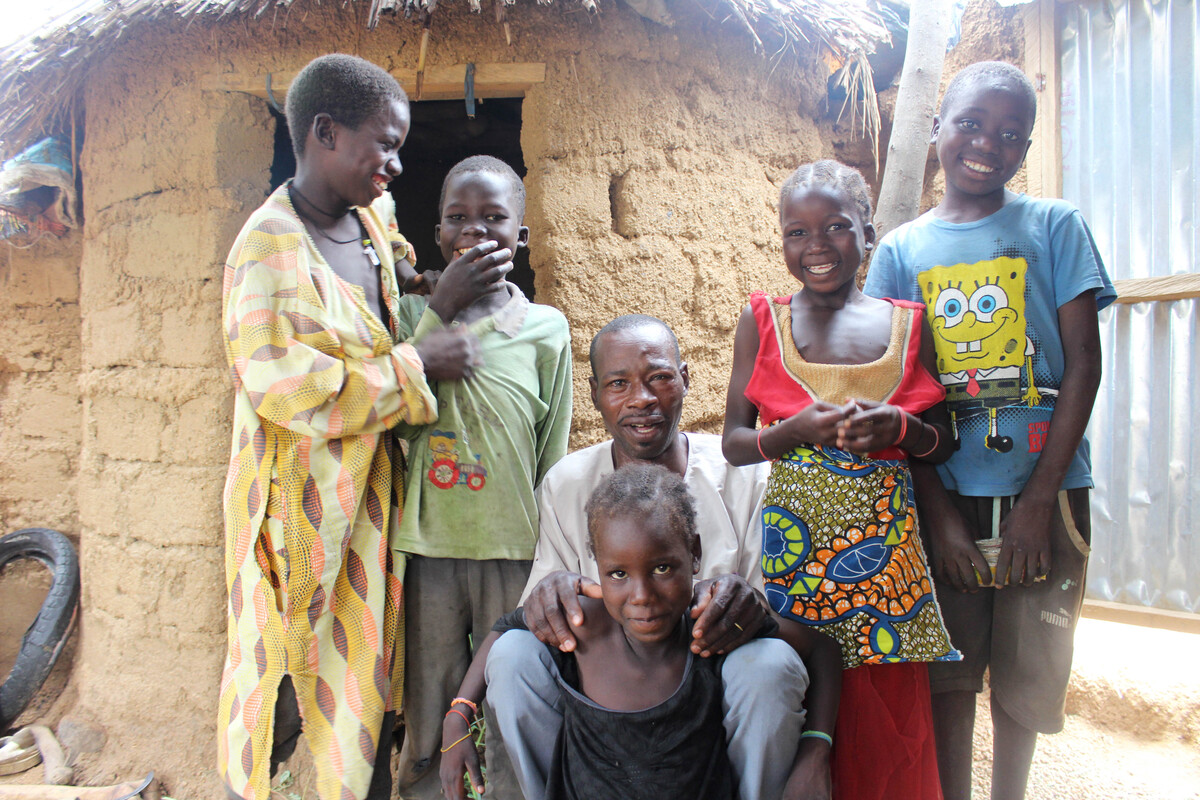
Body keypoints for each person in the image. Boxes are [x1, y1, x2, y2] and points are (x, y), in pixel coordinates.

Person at [218, 55, 512, 800]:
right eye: (383, 144)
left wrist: (429, 289)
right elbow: (286, 389)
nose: (397, 163)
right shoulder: (268, 251)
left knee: (370, 694)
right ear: (324, 132)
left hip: (373, 512)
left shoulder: (370, 220)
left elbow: (397, 282)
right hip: (301, 520)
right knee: (289, 689)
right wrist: (422, 353)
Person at [444, 314, 842, 800]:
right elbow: (529, 618)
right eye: (618, 384)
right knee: (513, 658)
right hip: (607, 698)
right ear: (594, 394)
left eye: (659, 378)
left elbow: (793, 626)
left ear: (686, 379)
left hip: (714, 679)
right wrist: (463, 704)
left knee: (768, 666)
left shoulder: (746, 478)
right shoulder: (568, 485)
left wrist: (747, 607)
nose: (642, 399)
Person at [863, 61, 1115, 800]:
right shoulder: (901, 253)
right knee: (949, 674)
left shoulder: (1054, 228)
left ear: (1024, 150)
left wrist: (1041, 499)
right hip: (944, 494)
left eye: (1010, 134)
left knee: (1029, 673)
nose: (986, 144)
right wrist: (936, 513)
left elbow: (1083, 369)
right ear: (937, 127)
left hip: (1050, 488)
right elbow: (895, 392)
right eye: (970, 123)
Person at [723, 159, 961, 800]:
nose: (816, 246)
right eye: (796, 232)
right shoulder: (764, 321)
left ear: (868, 230)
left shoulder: (908, 324)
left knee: (884, 725)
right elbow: (736, 444)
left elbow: (943, 446)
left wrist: (901, 431)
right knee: (798, 703)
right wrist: (790, 433)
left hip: (887, 571)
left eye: (834, 227)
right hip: (796, 562)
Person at [445, 463, 813, 800]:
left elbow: (819, 650)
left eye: (663, 569)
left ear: (695, 554)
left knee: (771, 660)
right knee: (513, 651)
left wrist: (818, 746)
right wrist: (458, 715)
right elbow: (503, 631)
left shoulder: (712, 627)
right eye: (619, 574)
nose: (642, 597)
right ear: (597, 567)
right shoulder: (582, 622)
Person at [389, 155, 573, 800]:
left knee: (510, 702)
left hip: (515, 551)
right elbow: (396, 428)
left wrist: (554, 558)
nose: (475, 232)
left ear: (521, 236)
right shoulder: (412, 325)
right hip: (431, 548)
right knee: (430, 705)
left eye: (494, 218)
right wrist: (439, 311)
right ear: (437, 232)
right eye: (458, 219)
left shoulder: (547, 329)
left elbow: (551, 456)